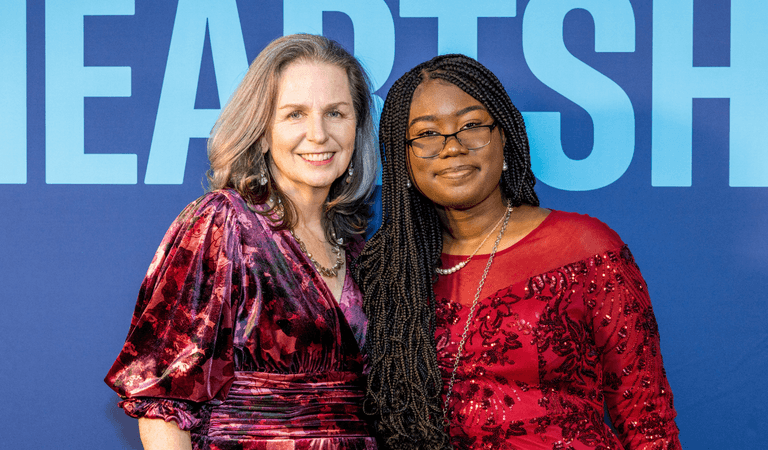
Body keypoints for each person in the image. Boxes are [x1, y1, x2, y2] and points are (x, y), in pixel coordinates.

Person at [355, 54, 680, 450]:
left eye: (471, 126)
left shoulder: (586, 249)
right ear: (402, 158)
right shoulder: (387, 272)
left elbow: (649, 423)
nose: (452, 147)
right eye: (426, 134)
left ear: (504, 136)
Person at [105, 34, 379, 450]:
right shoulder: (222, 223)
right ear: (262, 131)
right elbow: (163, 397)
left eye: (336, 113)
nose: (319, 134)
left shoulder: (359, 248)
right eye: (294, 115)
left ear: (356, 127)